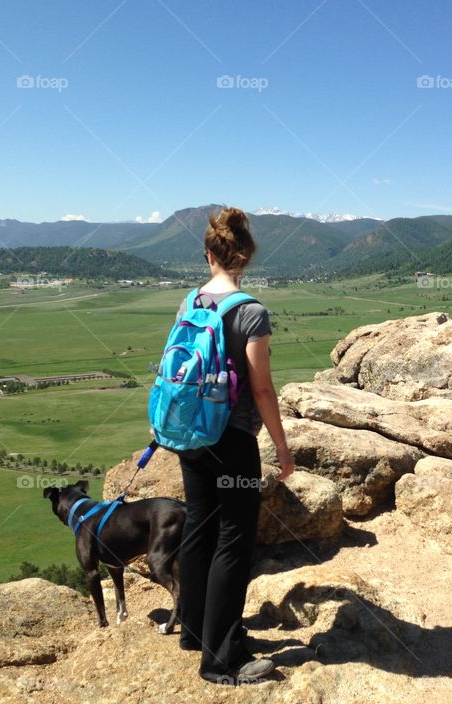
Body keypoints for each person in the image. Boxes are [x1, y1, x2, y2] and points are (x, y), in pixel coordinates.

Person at [174, 207, 295, 685]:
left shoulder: (190, 303)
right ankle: (222, 658)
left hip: (191, 436)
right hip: (233, 439)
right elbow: (262, 390)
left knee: (198, 528)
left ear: (209, 255)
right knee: (234, 540)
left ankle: (193, 629)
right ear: (245, 256)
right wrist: (282, 450)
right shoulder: (250, 312)